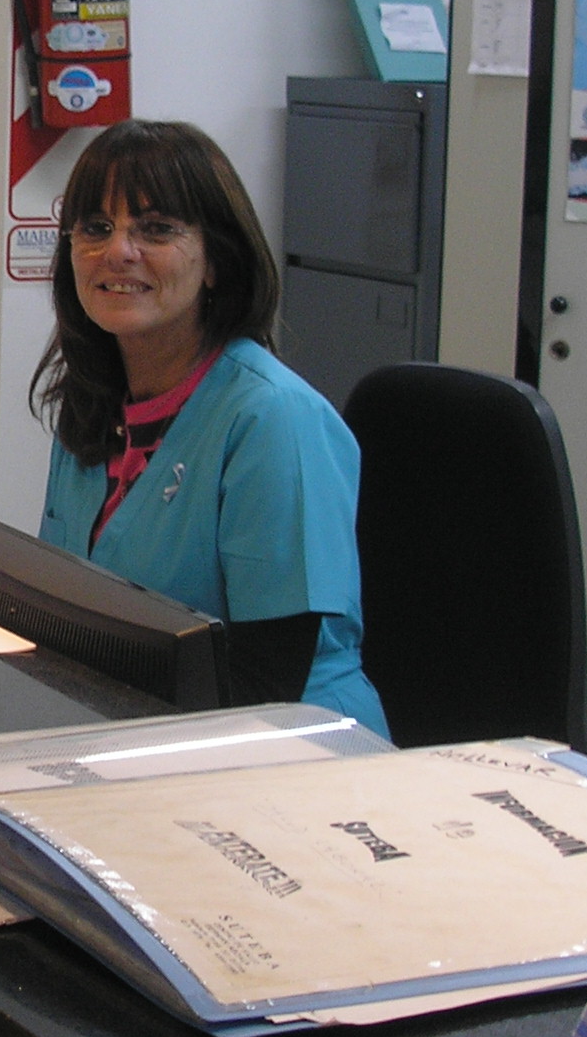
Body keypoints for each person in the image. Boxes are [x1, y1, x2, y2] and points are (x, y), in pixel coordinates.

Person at [33, 120, 388, 735]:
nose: (118, 251)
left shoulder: (273, 419)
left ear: (216, 261)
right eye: (96, 227)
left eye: (155, 229)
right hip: (135, 725)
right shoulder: (93, 403)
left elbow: (265, 689)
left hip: (294, 751)